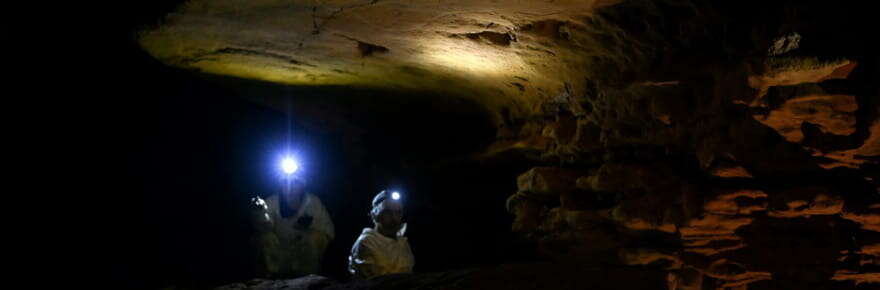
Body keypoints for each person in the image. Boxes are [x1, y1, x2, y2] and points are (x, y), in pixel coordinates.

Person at [250, 161, 334, 278]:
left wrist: (308, 234)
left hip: (302, 257)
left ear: (302, 184)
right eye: (286, 182)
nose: (290, 186)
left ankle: (307, 277)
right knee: (265, 237)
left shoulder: (313, 202)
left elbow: (328, 232)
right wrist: (259, 213)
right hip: (279, 256)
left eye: (295, 182)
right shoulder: (271, 202)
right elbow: (263, 228)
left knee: (313, 237)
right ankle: (271, 277)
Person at [348, 190, 414, 279]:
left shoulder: (402, 243)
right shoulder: (367, 242)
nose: (394, 218)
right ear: (374, 215)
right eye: (387, 212)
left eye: (398, 212)